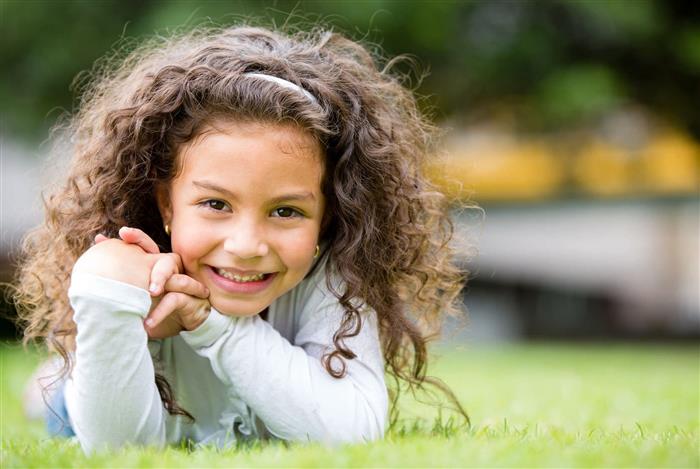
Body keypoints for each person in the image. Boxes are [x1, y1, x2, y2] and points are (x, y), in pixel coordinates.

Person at [14, 24, 467, 453]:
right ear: (167, 204)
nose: (247, 245)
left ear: (328, 218)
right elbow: (118, 450)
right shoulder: (137, 280)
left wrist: (211, 323)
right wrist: (106, 293)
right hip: (86, 406)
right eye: (215, 205)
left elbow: (355, 431)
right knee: (60, 403)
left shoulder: (333, 276)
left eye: (286, 211)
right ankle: (50, 383)